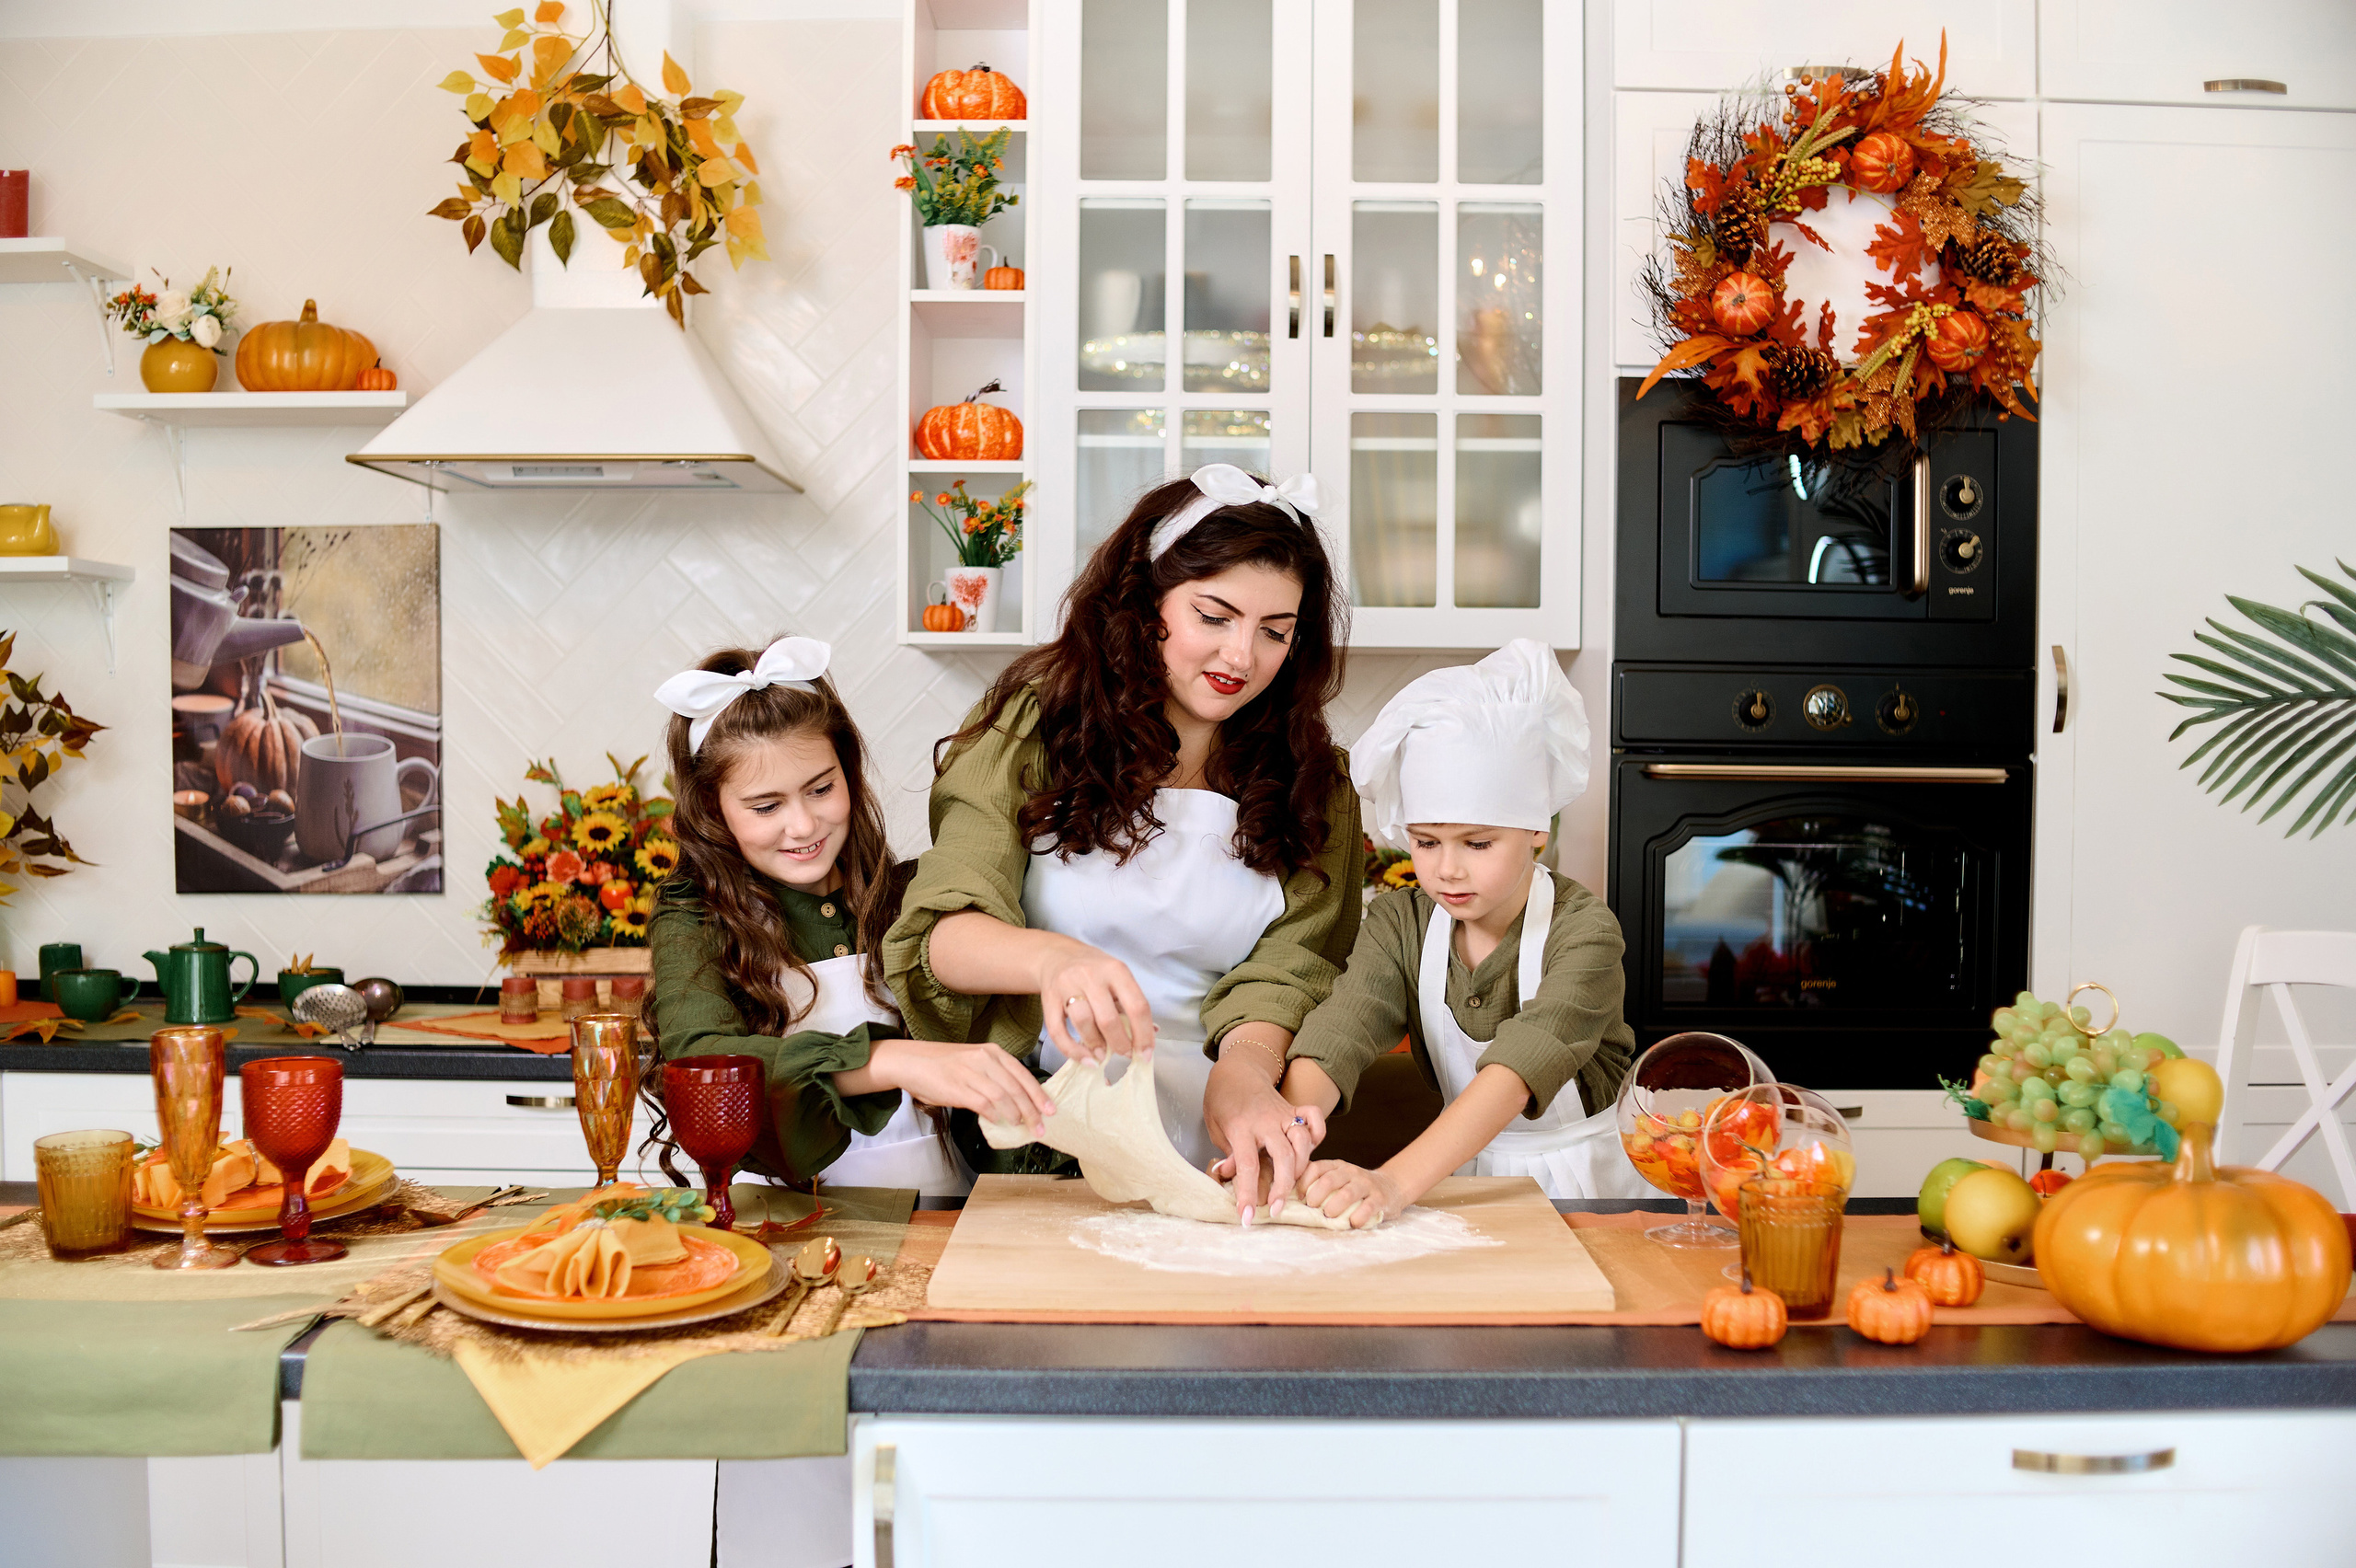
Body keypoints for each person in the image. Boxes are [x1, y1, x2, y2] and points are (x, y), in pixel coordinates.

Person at [883, 465, 1363, 1182]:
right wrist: (1055, 960)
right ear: (1146, 603)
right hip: (1039, 1138)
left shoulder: (1313, 782)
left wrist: (1246, 1072)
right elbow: (940, 934)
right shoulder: (1036, 731)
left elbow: (1292, 970)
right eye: (1214, 616)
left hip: (1219, 1142)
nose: (1242, 655)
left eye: (1275, 631)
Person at [1209, 640, 1644, 1226]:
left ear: (1537, 829)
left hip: (1594, 1195)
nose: (1447, 869)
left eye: (1478, 843)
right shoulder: (1401, 923)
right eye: (1426, 841)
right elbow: (1341, 1034)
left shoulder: (1586, 933)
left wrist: (1389, 1184)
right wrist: (1282, 1138)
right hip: (1457, 1173)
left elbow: (1517, 1073)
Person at [647, 636, 1055, 1197]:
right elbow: (702, 1060)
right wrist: (889, 1060)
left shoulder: (909, 895)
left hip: (946, 1215)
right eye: (766, 806)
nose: (803, 825)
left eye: (821, 789)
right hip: (785, 1221)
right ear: (712, 806)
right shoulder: (695, 914)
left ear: (850, 773)